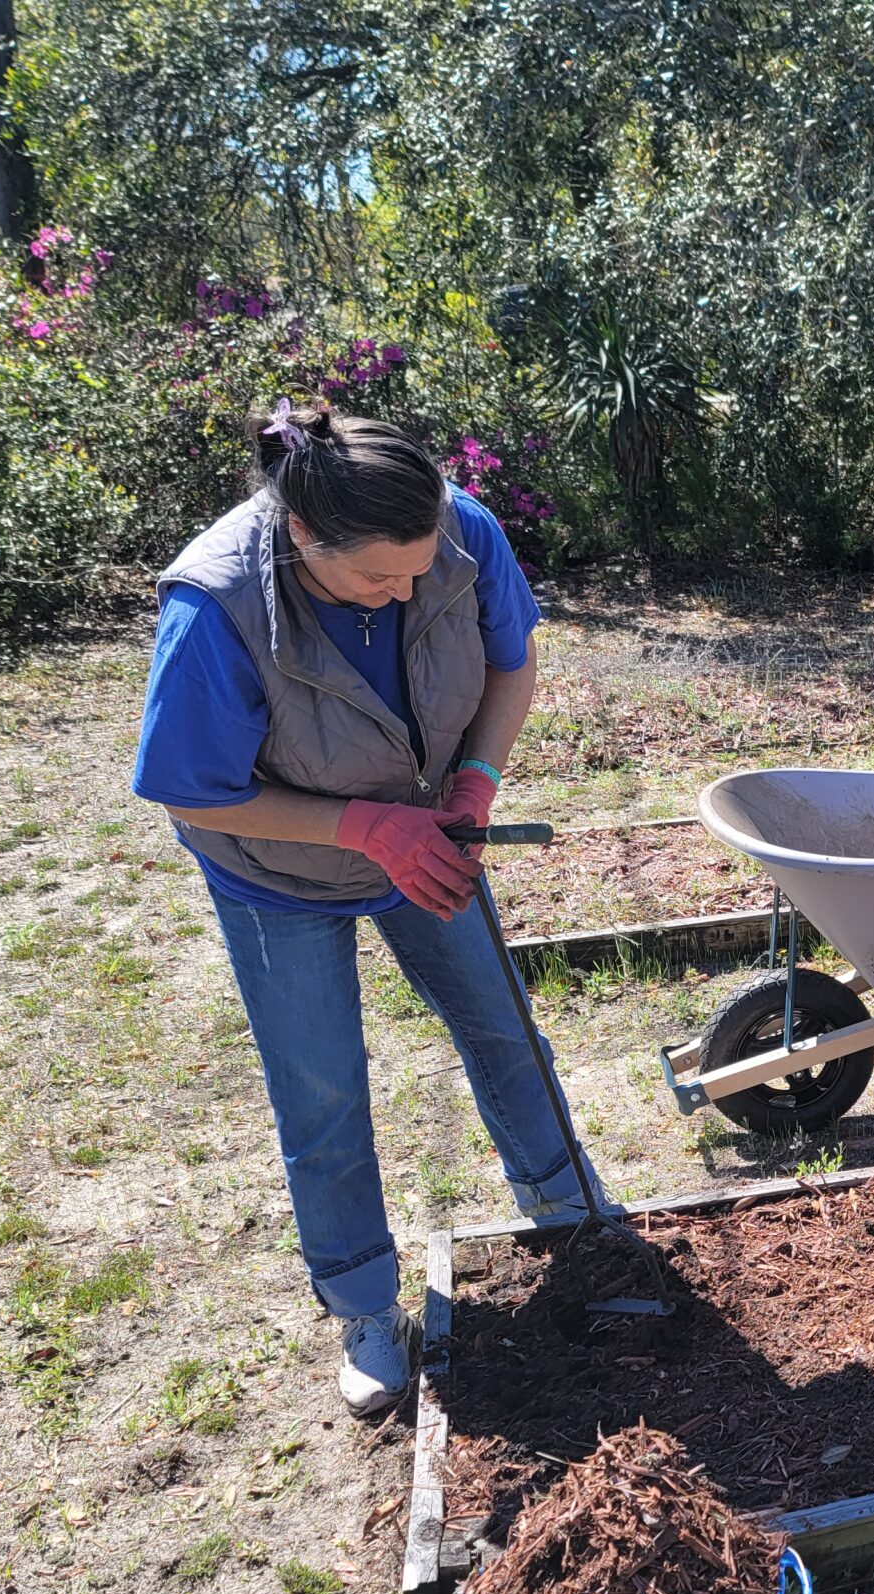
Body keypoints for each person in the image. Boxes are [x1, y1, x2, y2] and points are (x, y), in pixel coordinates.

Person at [133, 402, 608, 1413]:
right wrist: (363, 828)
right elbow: (190, 790)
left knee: (503, 1027)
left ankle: (573, 1217)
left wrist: (475, 782)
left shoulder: (455, 531)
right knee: (323, 1092)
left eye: (415, 571)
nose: (402, 592)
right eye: (376, 581)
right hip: (277, 874)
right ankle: (363, 1308)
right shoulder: (215, 604)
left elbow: (513, 661)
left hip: (428, 836)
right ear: (304, 534)